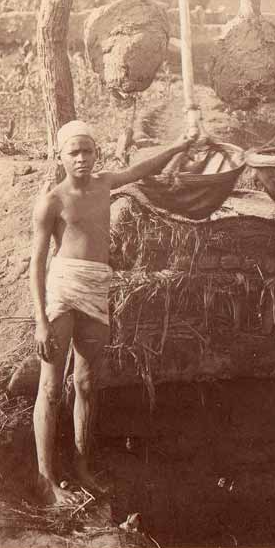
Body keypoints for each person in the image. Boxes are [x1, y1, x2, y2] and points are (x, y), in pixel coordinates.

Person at [30, 119, 199, 506]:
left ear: (96, 153)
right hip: (62, 289)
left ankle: (81, 466)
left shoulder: (106, 183)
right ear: (60, 156)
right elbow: (36, 265)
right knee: (52, 387)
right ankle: (45, 479)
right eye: (74, 152)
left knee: (87, 384)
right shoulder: (51, 201)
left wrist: (178, 146)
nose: (82, 159)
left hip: (96, 286)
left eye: (87, 151)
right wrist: (41, 321)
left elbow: (141, 169)